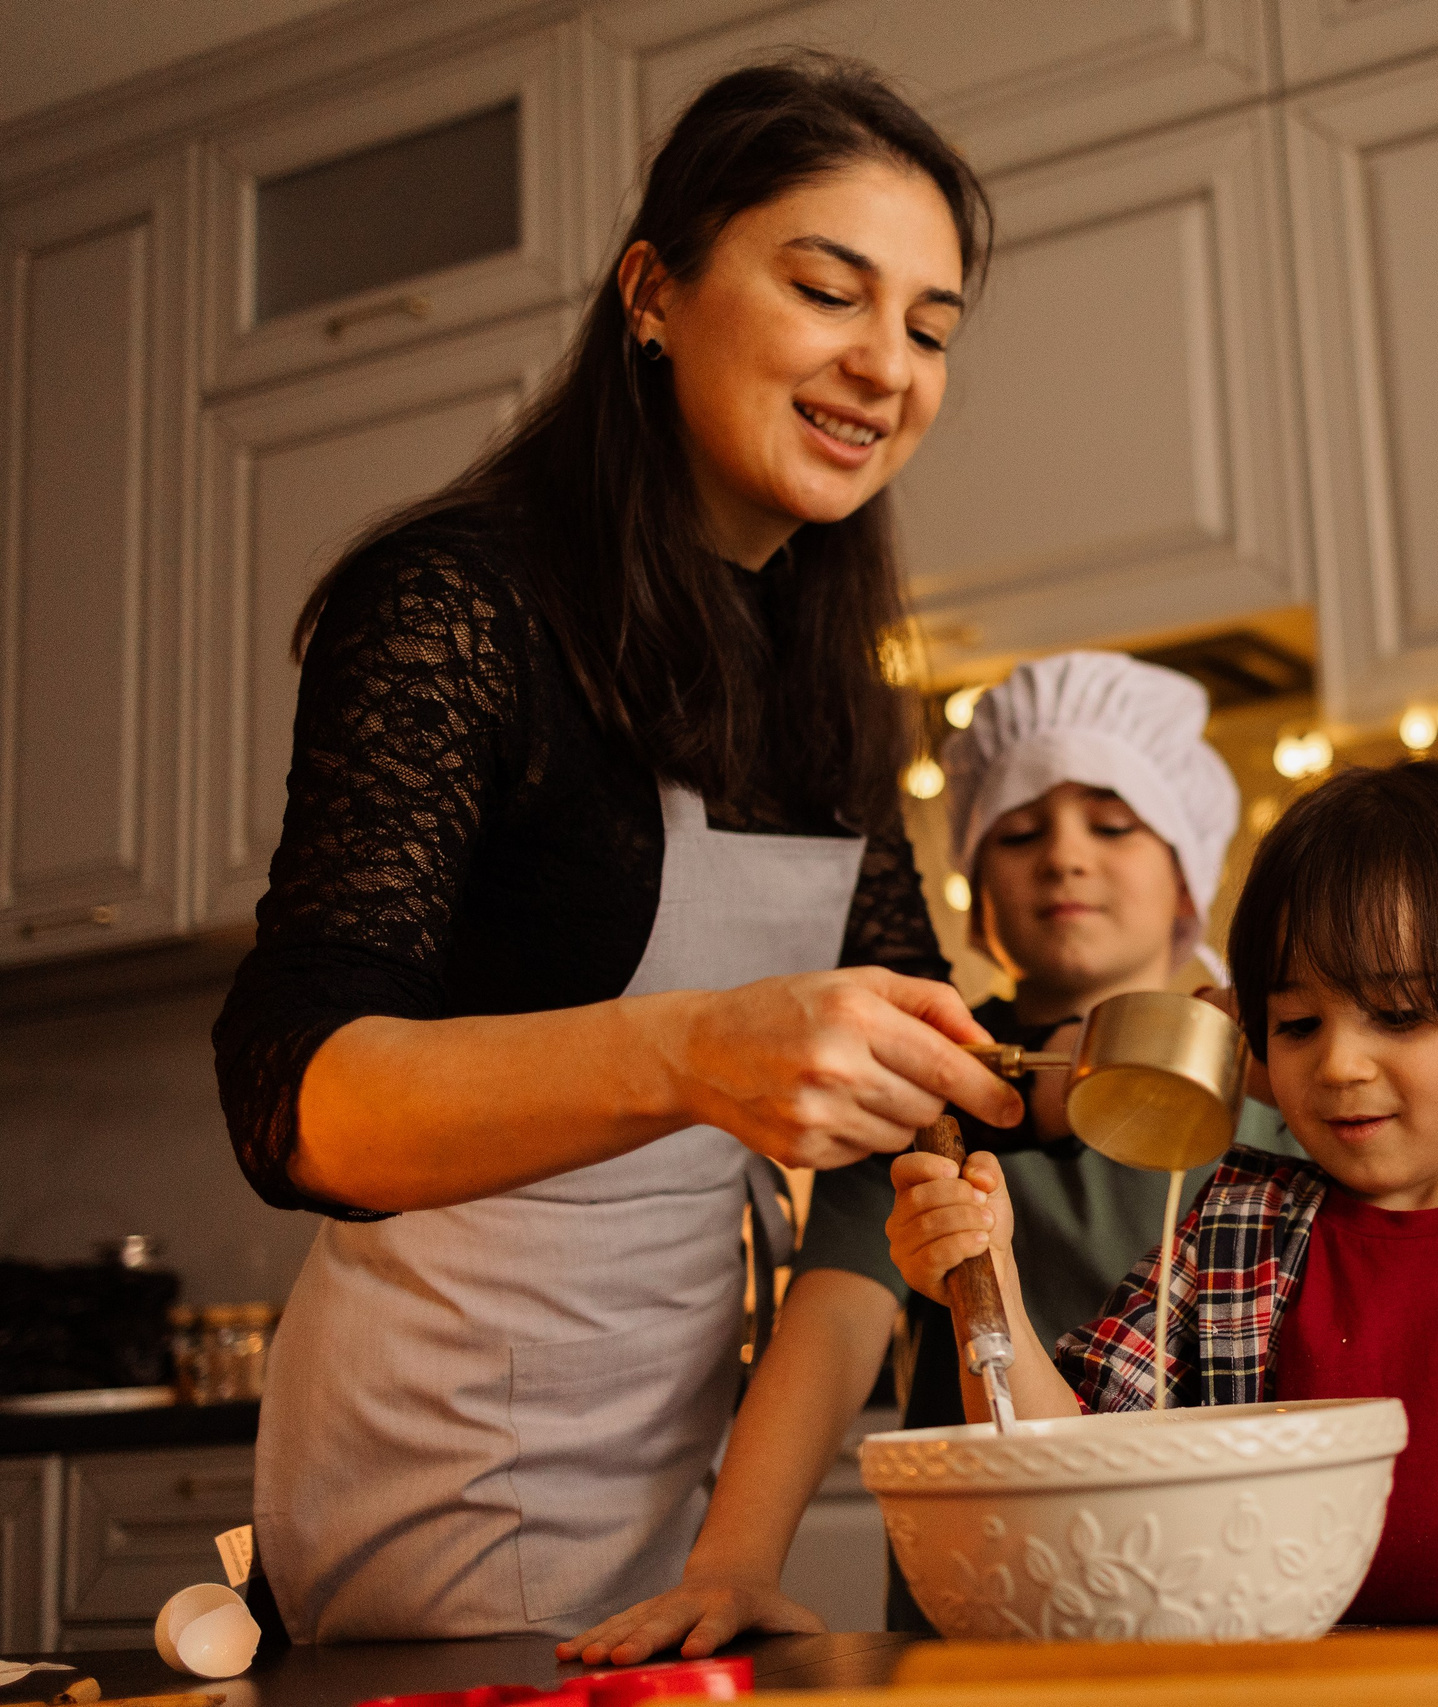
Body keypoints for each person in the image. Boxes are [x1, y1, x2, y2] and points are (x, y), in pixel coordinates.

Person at [210, 56, 1021, 1642]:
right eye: (826, 290)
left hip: (690, 1466)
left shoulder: (821, 674)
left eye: (929, 329)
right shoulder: (459, 606)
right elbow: (286, 1093)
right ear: (655, 291)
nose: (885, 365)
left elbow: (906, 1103)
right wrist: (694, 1051)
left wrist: (735, 1546)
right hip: (436, 1446)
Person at [888, 761, 1438, 1625]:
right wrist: (989, 1278)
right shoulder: (1237, 1232)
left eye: (1397, 1014)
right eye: (1297, 1022)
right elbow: (1070, 1464)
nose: (1338, 1064)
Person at [560, 649, 1299, 1662]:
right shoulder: (918, 1087)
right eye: (1021, 829)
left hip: (1237, 1598)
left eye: (1115, 824)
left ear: (1190, 874)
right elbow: (830, 1327)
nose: (1065, 857)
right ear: (971, 884)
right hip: (978, 1615)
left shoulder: (1281, 1083)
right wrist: (733, 1562)